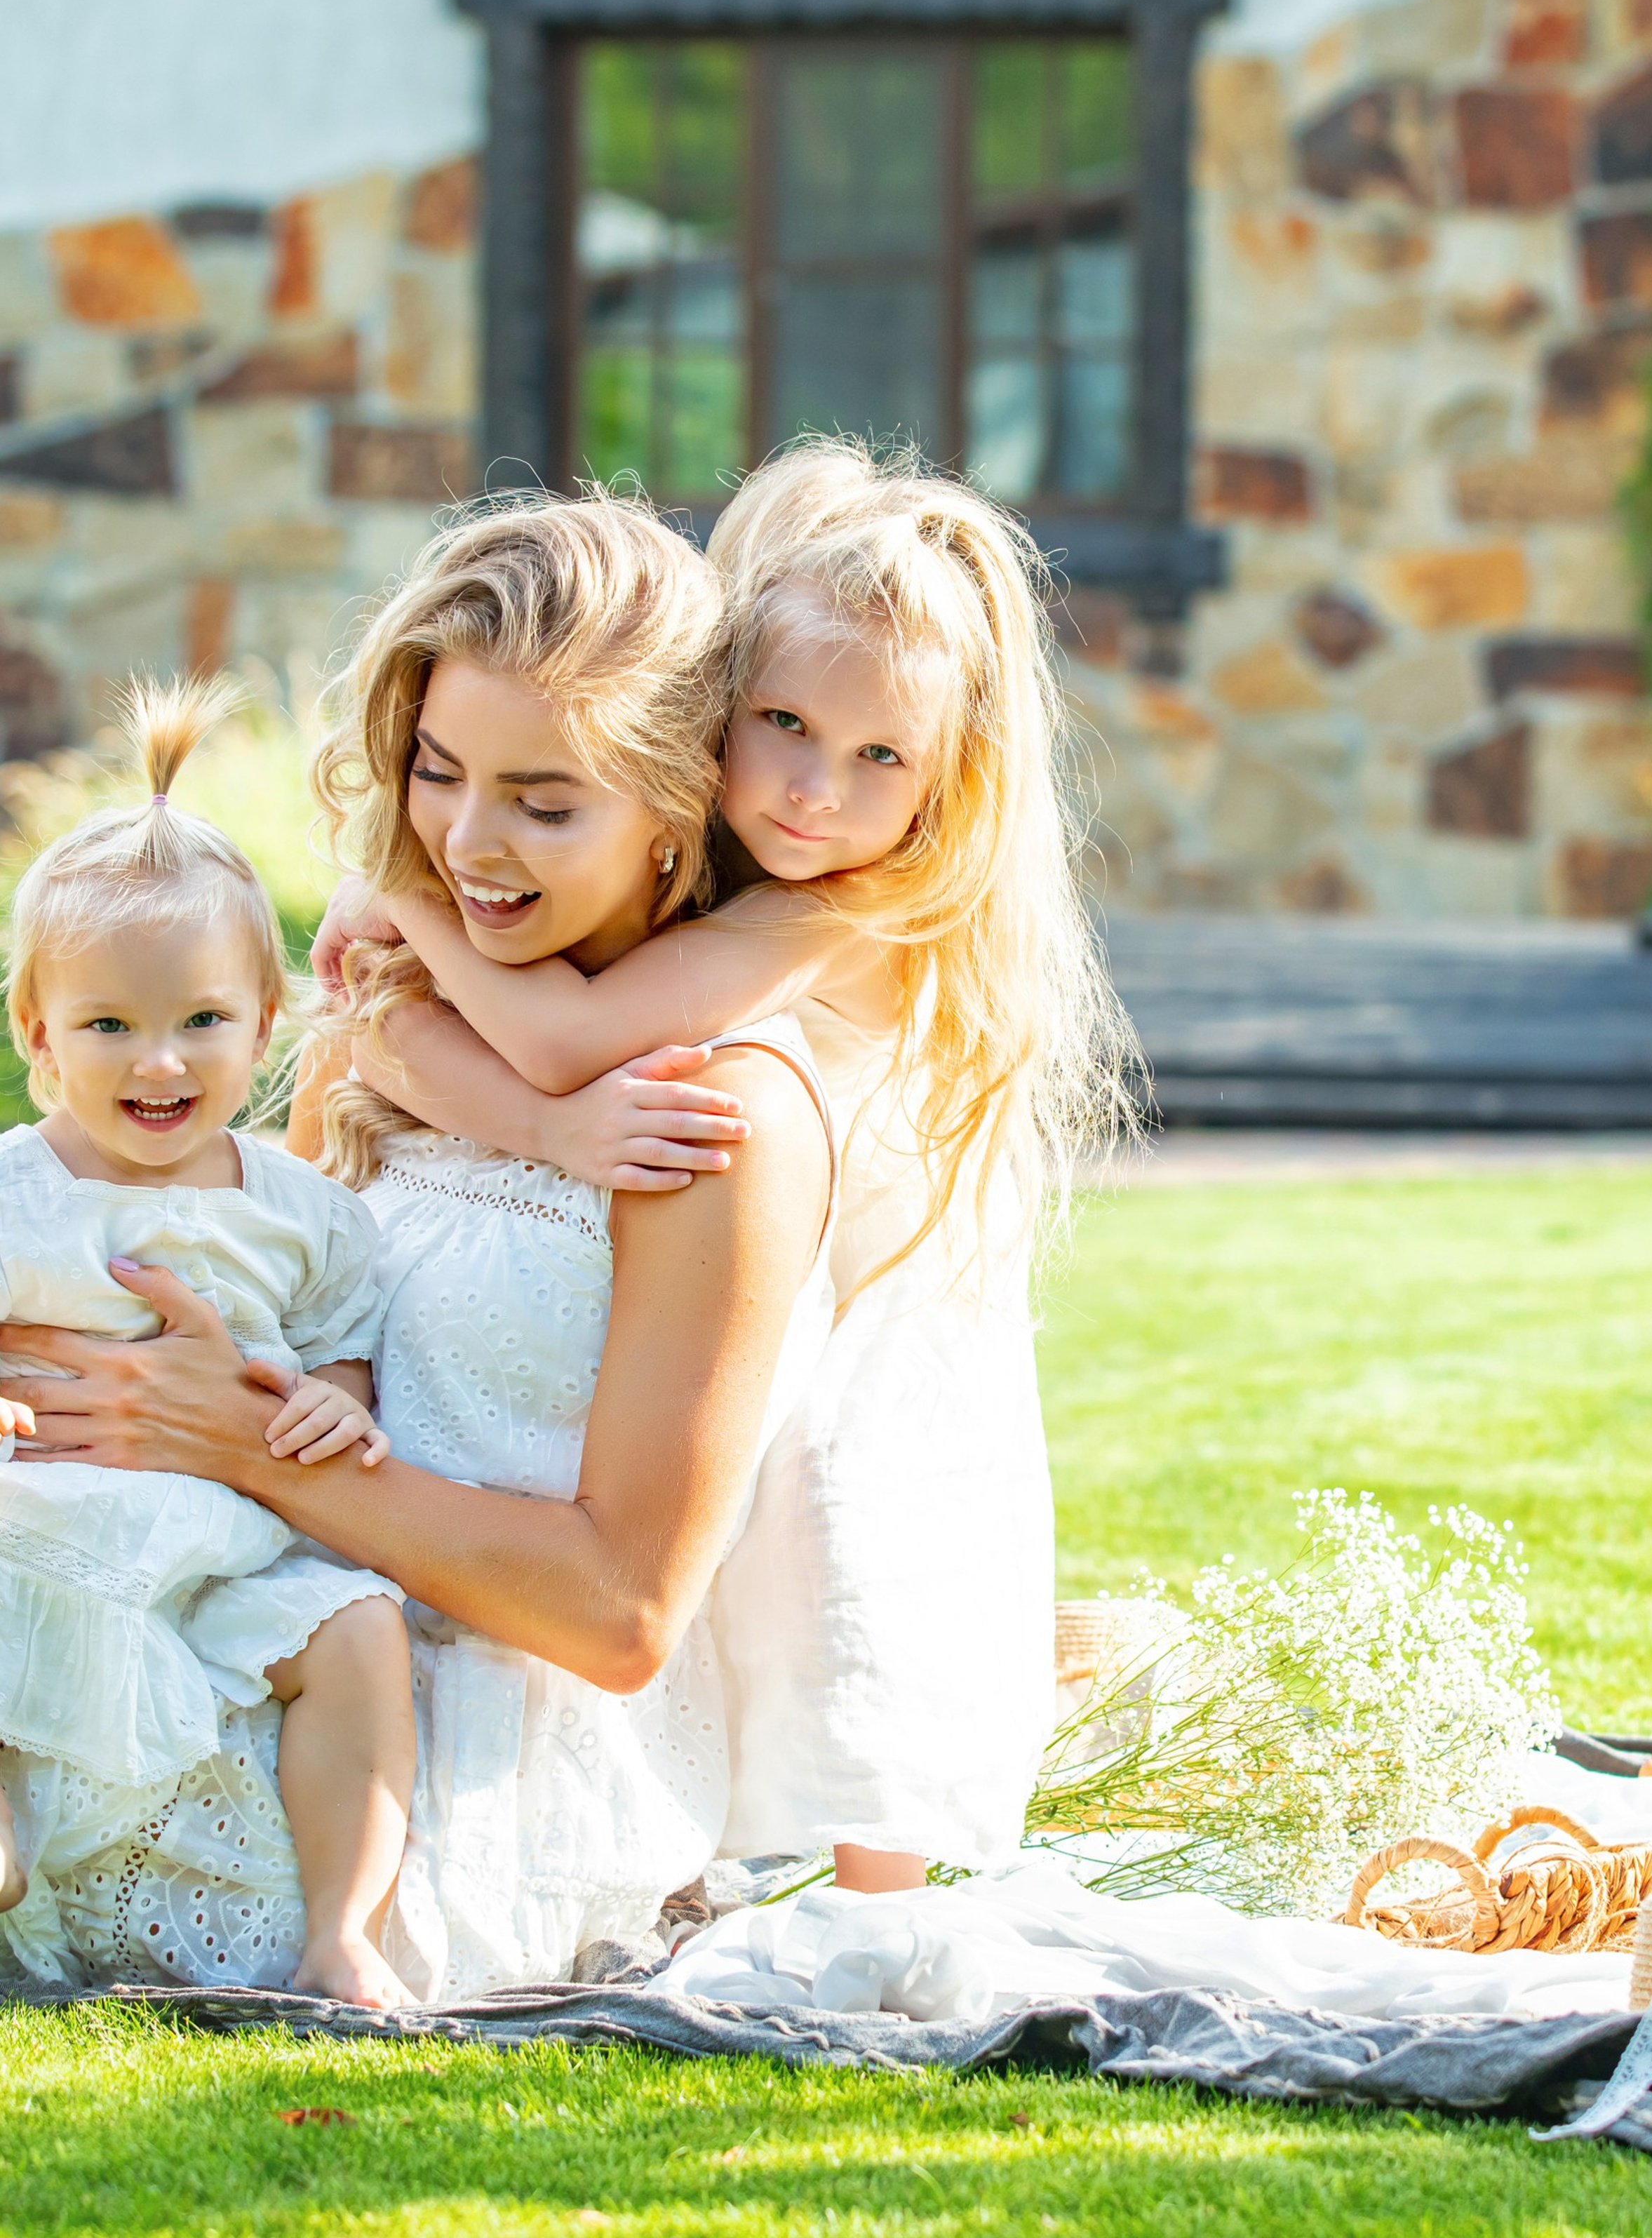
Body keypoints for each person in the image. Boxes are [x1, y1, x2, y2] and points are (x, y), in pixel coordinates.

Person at [0, 494, 835, 2004]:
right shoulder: (393, 1032)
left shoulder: (713, 1124)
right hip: (227, 1633)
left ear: (671, 811)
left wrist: (254, 1451)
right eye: (438, 773)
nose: (464, 842)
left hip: (448, 1776)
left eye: (543, 800)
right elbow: (267, 1332)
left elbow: (622, 1612)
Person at [309, 438, 1135, 1884]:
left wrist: (409, 899)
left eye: (881, 757)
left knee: (854, 1610)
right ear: (714, 723)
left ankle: (875, 1913)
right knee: (766, 1614)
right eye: (784, 728)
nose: (815, 789)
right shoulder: (729, 864)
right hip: (782, 1287)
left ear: (948, 785)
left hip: (877, 1326)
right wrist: (417, 933)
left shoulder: (839, 907)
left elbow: (565, 1049)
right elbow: (388, 1050)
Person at [0, 680, 413, 2007]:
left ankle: (344, 1928)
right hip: (33, 1518)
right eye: (109, 1025)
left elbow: (339, 1363)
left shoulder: (304, 1215)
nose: (159, 1062)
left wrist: (337, 1413)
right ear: (38, 1037)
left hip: (219, 1542)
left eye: (201, 1021)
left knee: (357, 1627)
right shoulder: (15, 1190)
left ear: (268, 1021)